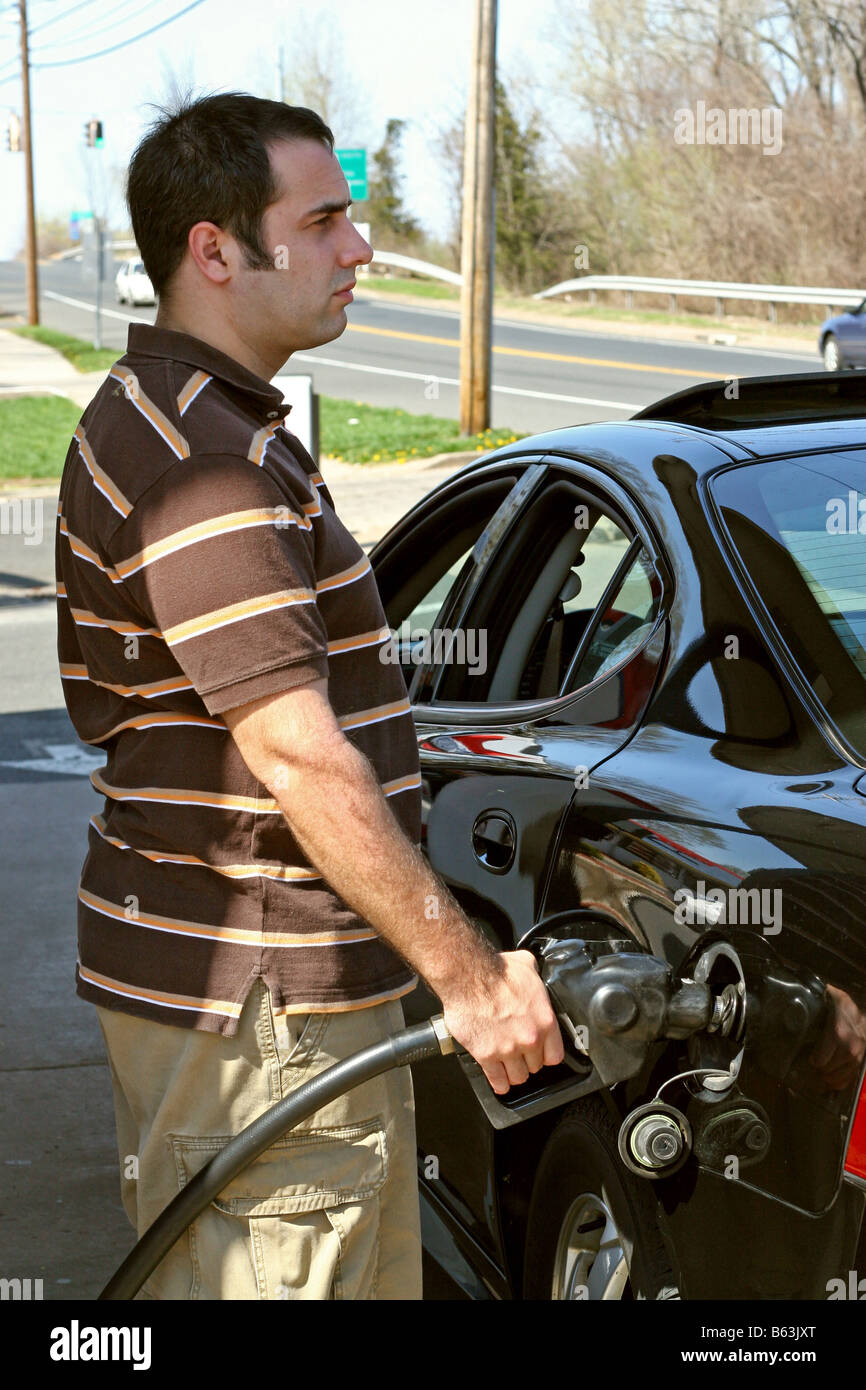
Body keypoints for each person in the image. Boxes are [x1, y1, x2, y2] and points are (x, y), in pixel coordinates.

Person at [56, 91, 563, 1301]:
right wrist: (471, 979)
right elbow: (298, 757)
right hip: (264, 1007)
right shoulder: (205, 466)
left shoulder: (195, 420)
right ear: (216, 250)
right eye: (324, 218)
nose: (359, 247)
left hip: (245, 995)